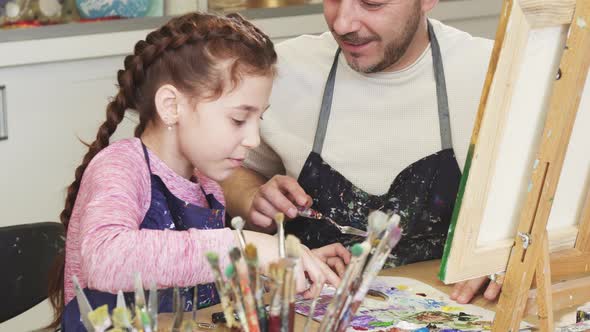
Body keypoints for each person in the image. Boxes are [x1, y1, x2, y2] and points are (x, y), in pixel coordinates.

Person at [47, 12, 350, 331]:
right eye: (238, 119)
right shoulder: (121, 166)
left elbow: (201, 284)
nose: (253, 139)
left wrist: (289, 265)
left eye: (258, 120)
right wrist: (242, 246)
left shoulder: (207, 184)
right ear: (171, 106)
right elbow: (104, 261)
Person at [221, 0, 500, 303]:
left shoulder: (495, 74)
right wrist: (251, 196)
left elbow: (541, 214)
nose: (342, 24)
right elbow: (224, 173)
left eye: (372, 2)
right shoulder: (283, 71)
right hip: (309, 313)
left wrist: (509, 254)